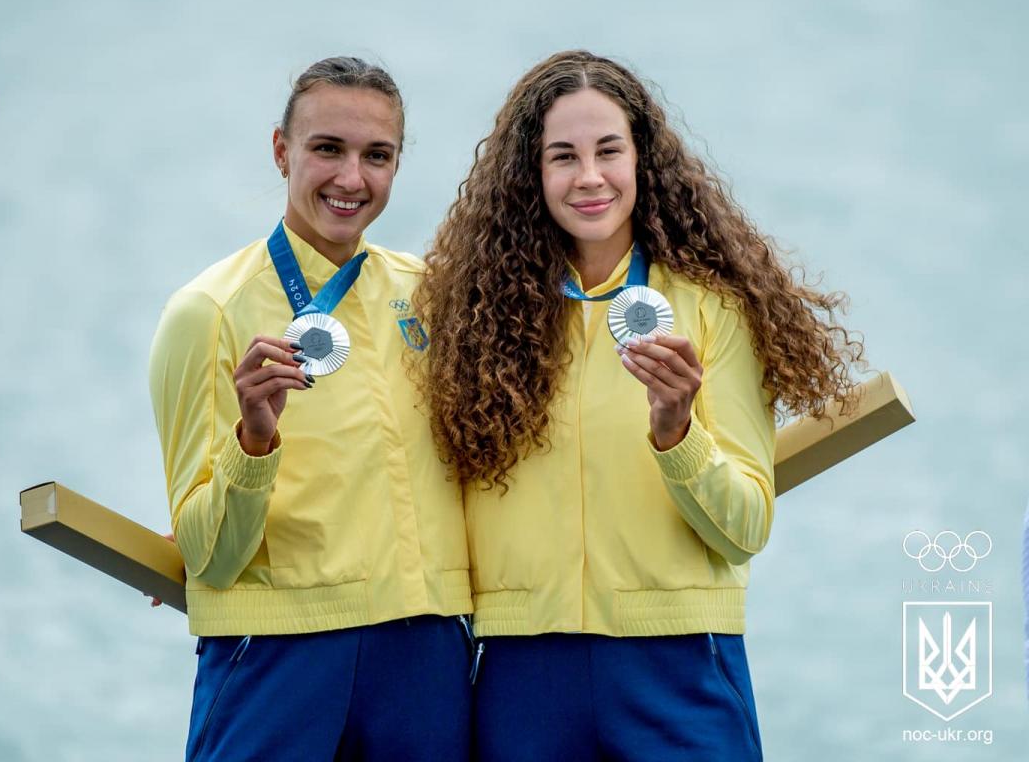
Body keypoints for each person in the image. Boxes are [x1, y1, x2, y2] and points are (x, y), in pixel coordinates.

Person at [412, 50, 865, 760]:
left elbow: (744, 527)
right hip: (523, 674)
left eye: (608, 151)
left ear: (641, 160)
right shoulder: (476, 317)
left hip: (679, 667)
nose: (589, 177)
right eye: (563, 156)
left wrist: (678, 431)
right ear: (530, 175)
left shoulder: (713, 310)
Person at [148, 57, 472, 761]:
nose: (351, 178)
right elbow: (210, 555)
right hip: (274, 656)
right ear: (281, 150)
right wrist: (253, 444)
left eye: (376, 156)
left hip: (426, 655)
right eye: (328, 148)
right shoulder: (205, 313)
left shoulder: (432, 295)